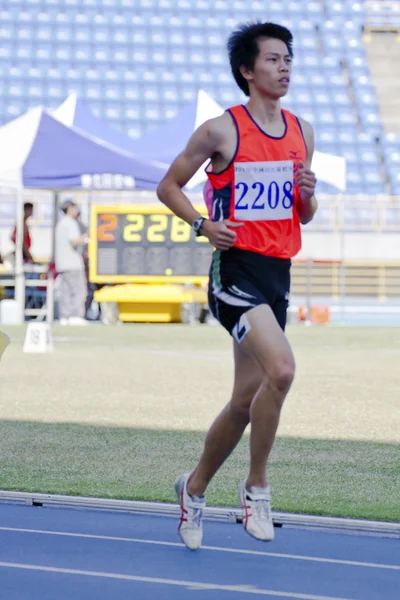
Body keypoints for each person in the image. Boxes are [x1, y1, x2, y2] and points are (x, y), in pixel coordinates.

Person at [157, 22, 318, 551]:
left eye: (288, 58)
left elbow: (304, 214)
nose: (285, 66)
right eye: (273, 59)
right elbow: (168, 186)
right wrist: (204, 224)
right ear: (248, 71)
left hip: (277, 274)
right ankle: (257, 487)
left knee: (246, 400)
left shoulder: (302, 131)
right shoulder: (221, 130)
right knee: (284, 369)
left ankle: (195, 488)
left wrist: (308, 196)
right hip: (235, 274)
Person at [55, 200, 89, 325]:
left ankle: (65, 316)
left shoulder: (61, 223)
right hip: (73, 263)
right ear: (70, 209)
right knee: (78, 290)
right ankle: (76, 316)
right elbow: (74, 241)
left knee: (66, 291)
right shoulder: (70, 223)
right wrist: (87, 236)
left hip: (62, 263)